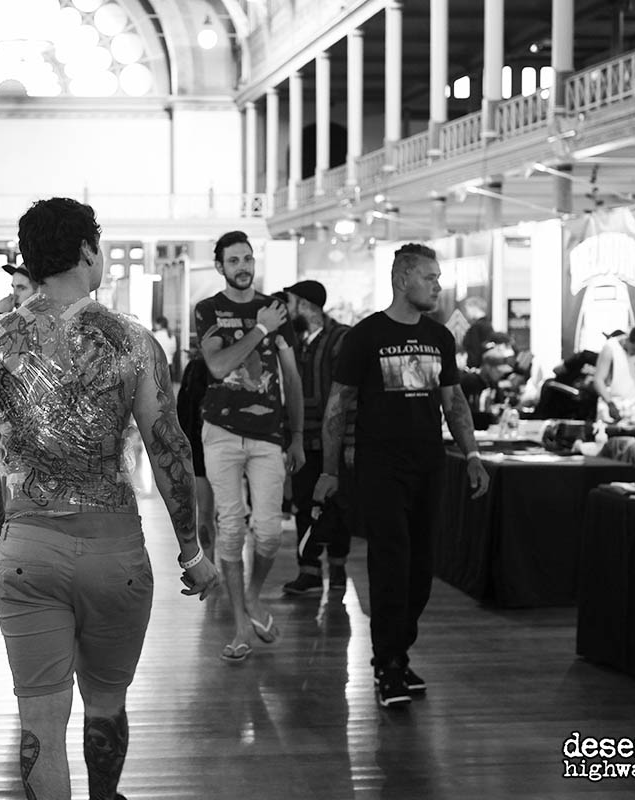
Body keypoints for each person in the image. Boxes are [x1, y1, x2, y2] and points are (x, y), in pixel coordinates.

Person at [0, 197, 218, 800]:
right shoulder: (132, 342)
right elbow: (169, 449)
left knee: (40, 722)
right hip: (113, 550)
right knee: (105, 702)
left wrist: (9, 540)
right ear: (85, 251)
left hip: (27, 545)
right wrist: (191, 552)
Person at [314, 243, 490, 708]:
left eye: (437, 278)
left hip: (429, 464)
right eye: (429, 277)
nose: (437, 285)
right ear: (402, 279)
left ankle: (398, 651)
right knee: (390, 562)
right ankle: (388, 661)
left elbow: (453, 400)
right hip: (380, 467)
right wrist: (329, 470)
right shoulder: (366, 335)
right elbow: (337, 405)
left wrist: (472, 454)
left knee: (421, 568)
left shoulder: (439, 336)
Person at [194, 230, 305, 662]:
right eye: (234, 260)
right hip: (221, 431)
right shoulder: (210, 309)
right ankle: (241, 624)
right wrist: (261, 329)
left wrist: (298, 435)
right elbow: (218, 365)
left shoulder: (275, 309)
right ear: (220, 267)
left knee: (270, 532)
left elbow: (291, 377)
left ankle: (254, 596)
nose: (243, 267)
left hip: (268, 434)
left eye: (248, 259)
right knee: (231, 526)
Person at [280, 279, 356, 596]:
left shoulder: (342, 338)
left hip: (333, 443)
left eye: (290, 302)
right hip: (302, 442)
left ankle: (338, 566)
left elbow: (351, 394)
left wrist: (349, 440)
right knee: (303, 503)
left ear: (305, 305)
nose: (286, 309)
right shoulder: (293, 339)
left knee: (338, 505)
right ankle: (308, 571)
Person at [175, 343, 216, 564]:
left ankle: (210, 563)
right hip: (204, 450)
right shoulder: (197, 368)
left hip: (200, 450)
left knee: (207, 513)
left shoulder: (195, 368)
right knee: (216, 514)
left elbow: (182, 413)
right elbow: (184, 412)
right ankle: (211, 562)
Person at [595, 324, 635, 424]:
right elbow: (598, 380)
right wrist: (610, 403)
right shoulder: (611, 348)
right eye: (634, 349)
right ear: (629, 340)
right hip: (613, 411)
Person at [459, 296, 494, 369]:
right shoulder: (488, 325)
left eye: (467, 309)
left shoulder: (476, 327)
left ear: (474, 307)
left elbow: (475, 350)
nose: (467, 313)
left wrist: (472, 367)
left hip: (475, 367)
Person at [152, 316, 178, 381]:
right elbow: (174, 350)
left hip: (159, 366)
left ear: (159, 324)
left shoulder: (156, 335)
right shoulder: (171, 335)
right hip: (169, 364)